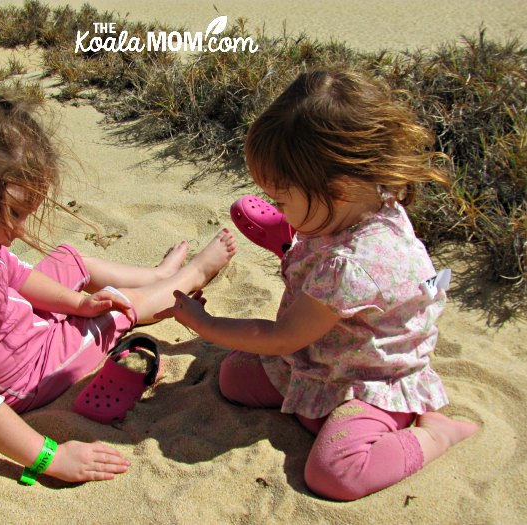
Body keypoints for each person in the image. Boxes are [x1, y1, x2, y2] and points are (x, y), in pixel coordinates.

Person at [0, 95, 237, 484]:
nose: (18, 230)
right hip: (26, 373)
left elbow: (15, 274)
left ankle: (155, 276)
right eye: (14, 213)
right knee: (118, 308)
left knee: (70, 259)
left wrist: (79, 302)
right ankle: (189, 278)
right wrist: (50, 457)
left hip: (19, 320)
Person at [161, 70, 477, 501]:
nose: (278, 206)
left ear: (338, 189)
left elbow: (277, 337)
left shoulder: (353, 266)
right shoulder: (361, 202)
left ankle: (435, 434)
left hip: (370, 379)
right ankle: (290, 248)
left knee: (335, 474)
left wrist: (203, 322)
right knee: (234, 378)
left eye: (284, 201)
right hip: (323, 354)